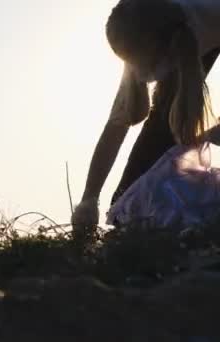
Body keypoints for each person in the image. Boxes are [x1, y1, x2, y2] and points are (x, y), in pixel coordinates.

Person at [71, 0, 220, 236]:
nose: (143, 76)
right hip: (182, 36)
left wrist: (211, 134)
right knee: (131, 203)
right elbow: (117, 123)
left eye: (148, 66)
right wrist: (89, 198)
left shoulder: (210, 13)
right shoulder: (140, 27)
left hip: (202, 26)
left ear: (168, 48)